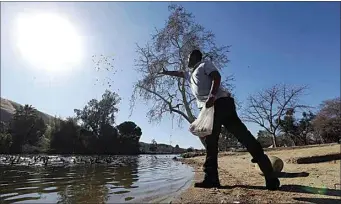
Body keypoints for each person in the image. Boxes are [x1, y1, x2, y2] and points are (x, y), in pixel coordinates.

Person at [159, 49, 280, 190]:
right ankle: (270, 176)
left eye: (188, 58)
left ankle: (211, 179)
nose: (187, 61)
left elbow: (217, 77)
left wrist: (212, 95)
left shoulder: (204, 64)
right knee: (241, 136)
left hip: (219, 103)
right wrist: (166, 72)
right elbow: (180, 74)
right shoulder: (190, 74)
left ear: (195, 57)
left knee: (214, 140)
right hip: (215, 106)